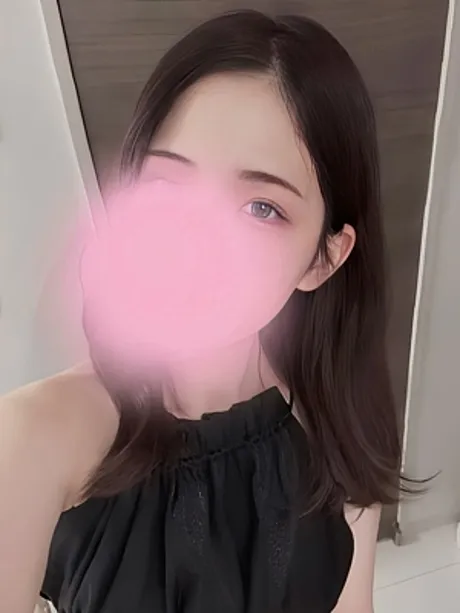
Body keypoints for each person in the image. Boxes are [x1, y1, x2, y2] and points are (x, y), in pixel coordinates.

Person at [0, 9, 403, 613]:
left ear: (324, 258)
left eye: (262, 208)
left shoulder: (337, 419)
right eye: (168, 185)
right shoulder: (33, 439)